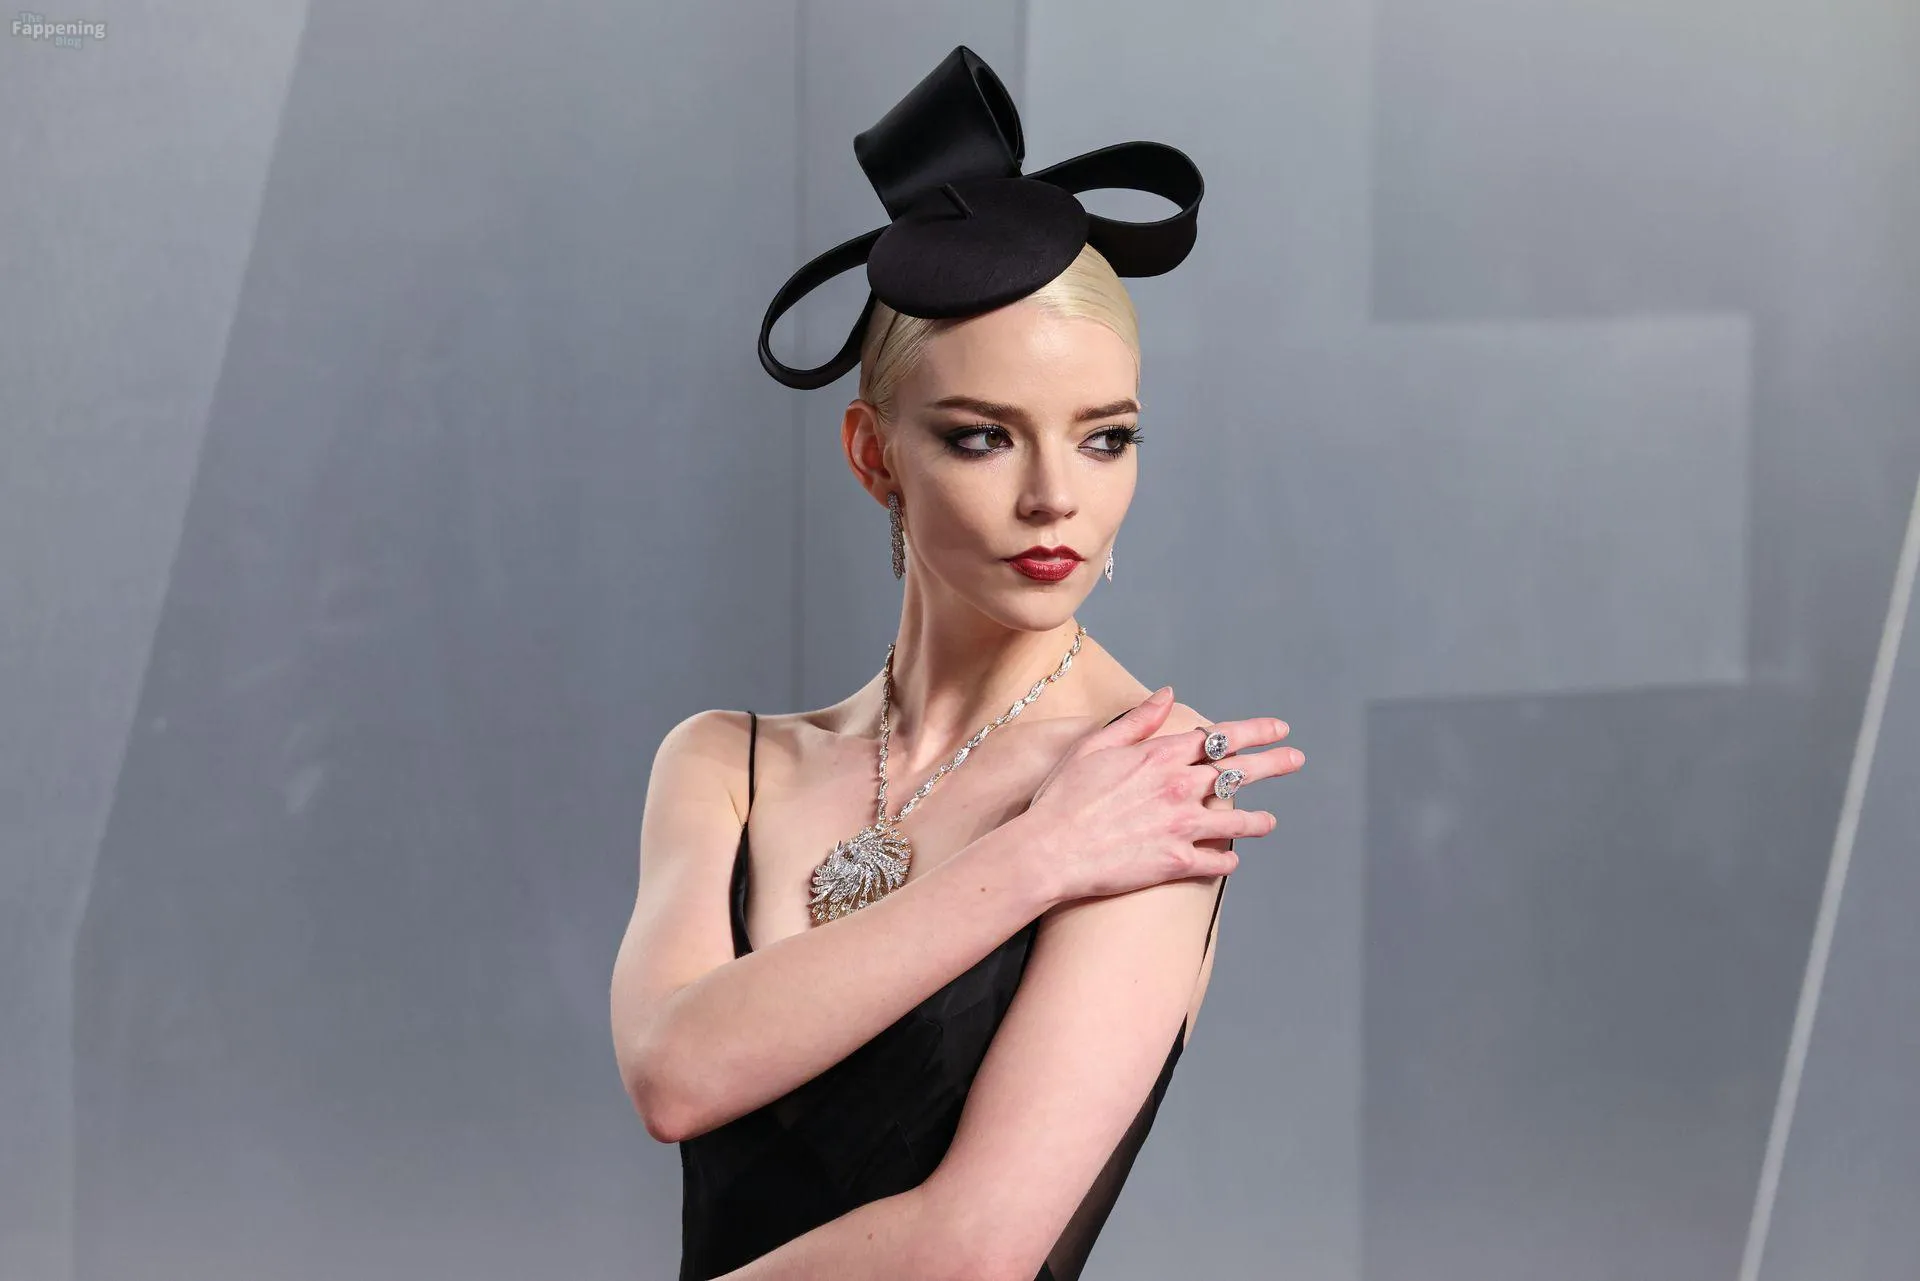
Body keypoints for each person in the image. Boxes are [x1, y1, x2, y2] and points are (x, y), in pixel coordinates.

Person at [609, 45, 1305, 1281]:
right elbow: (675, 1076)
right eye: (985, 437)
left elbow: (970, 1251)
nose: (1055, 499)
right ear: (873, 455)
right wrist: (1032, 860)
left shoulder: (1145, 791)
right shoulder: (725, 765)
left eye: (1105, 439)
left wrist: (1072, 839)